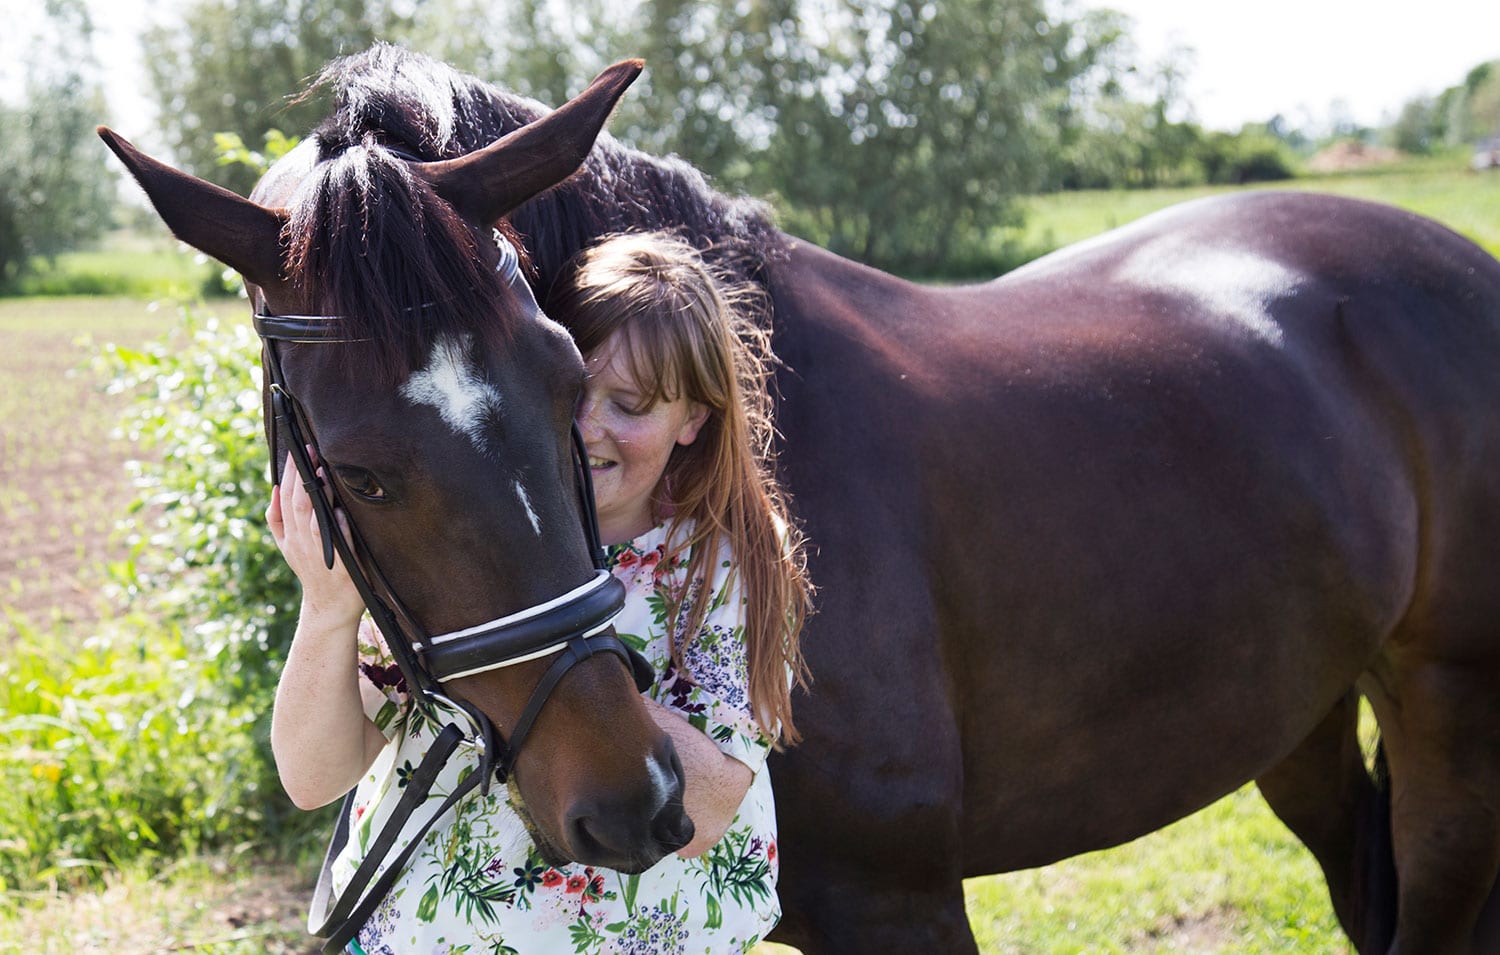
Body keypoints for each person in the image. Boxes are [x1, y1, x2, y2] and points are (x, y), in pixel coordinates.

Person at [267, 230, 812, 954]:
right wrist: (329, 608)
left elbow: (709, 804)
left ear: (692, 421)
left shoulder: (720, 560)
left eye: (633, 404)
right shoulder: (467, 527)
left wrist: (544, 647)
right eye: (578, 390)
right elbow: (313, 778)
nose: (592, 427)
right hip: (426, 934)